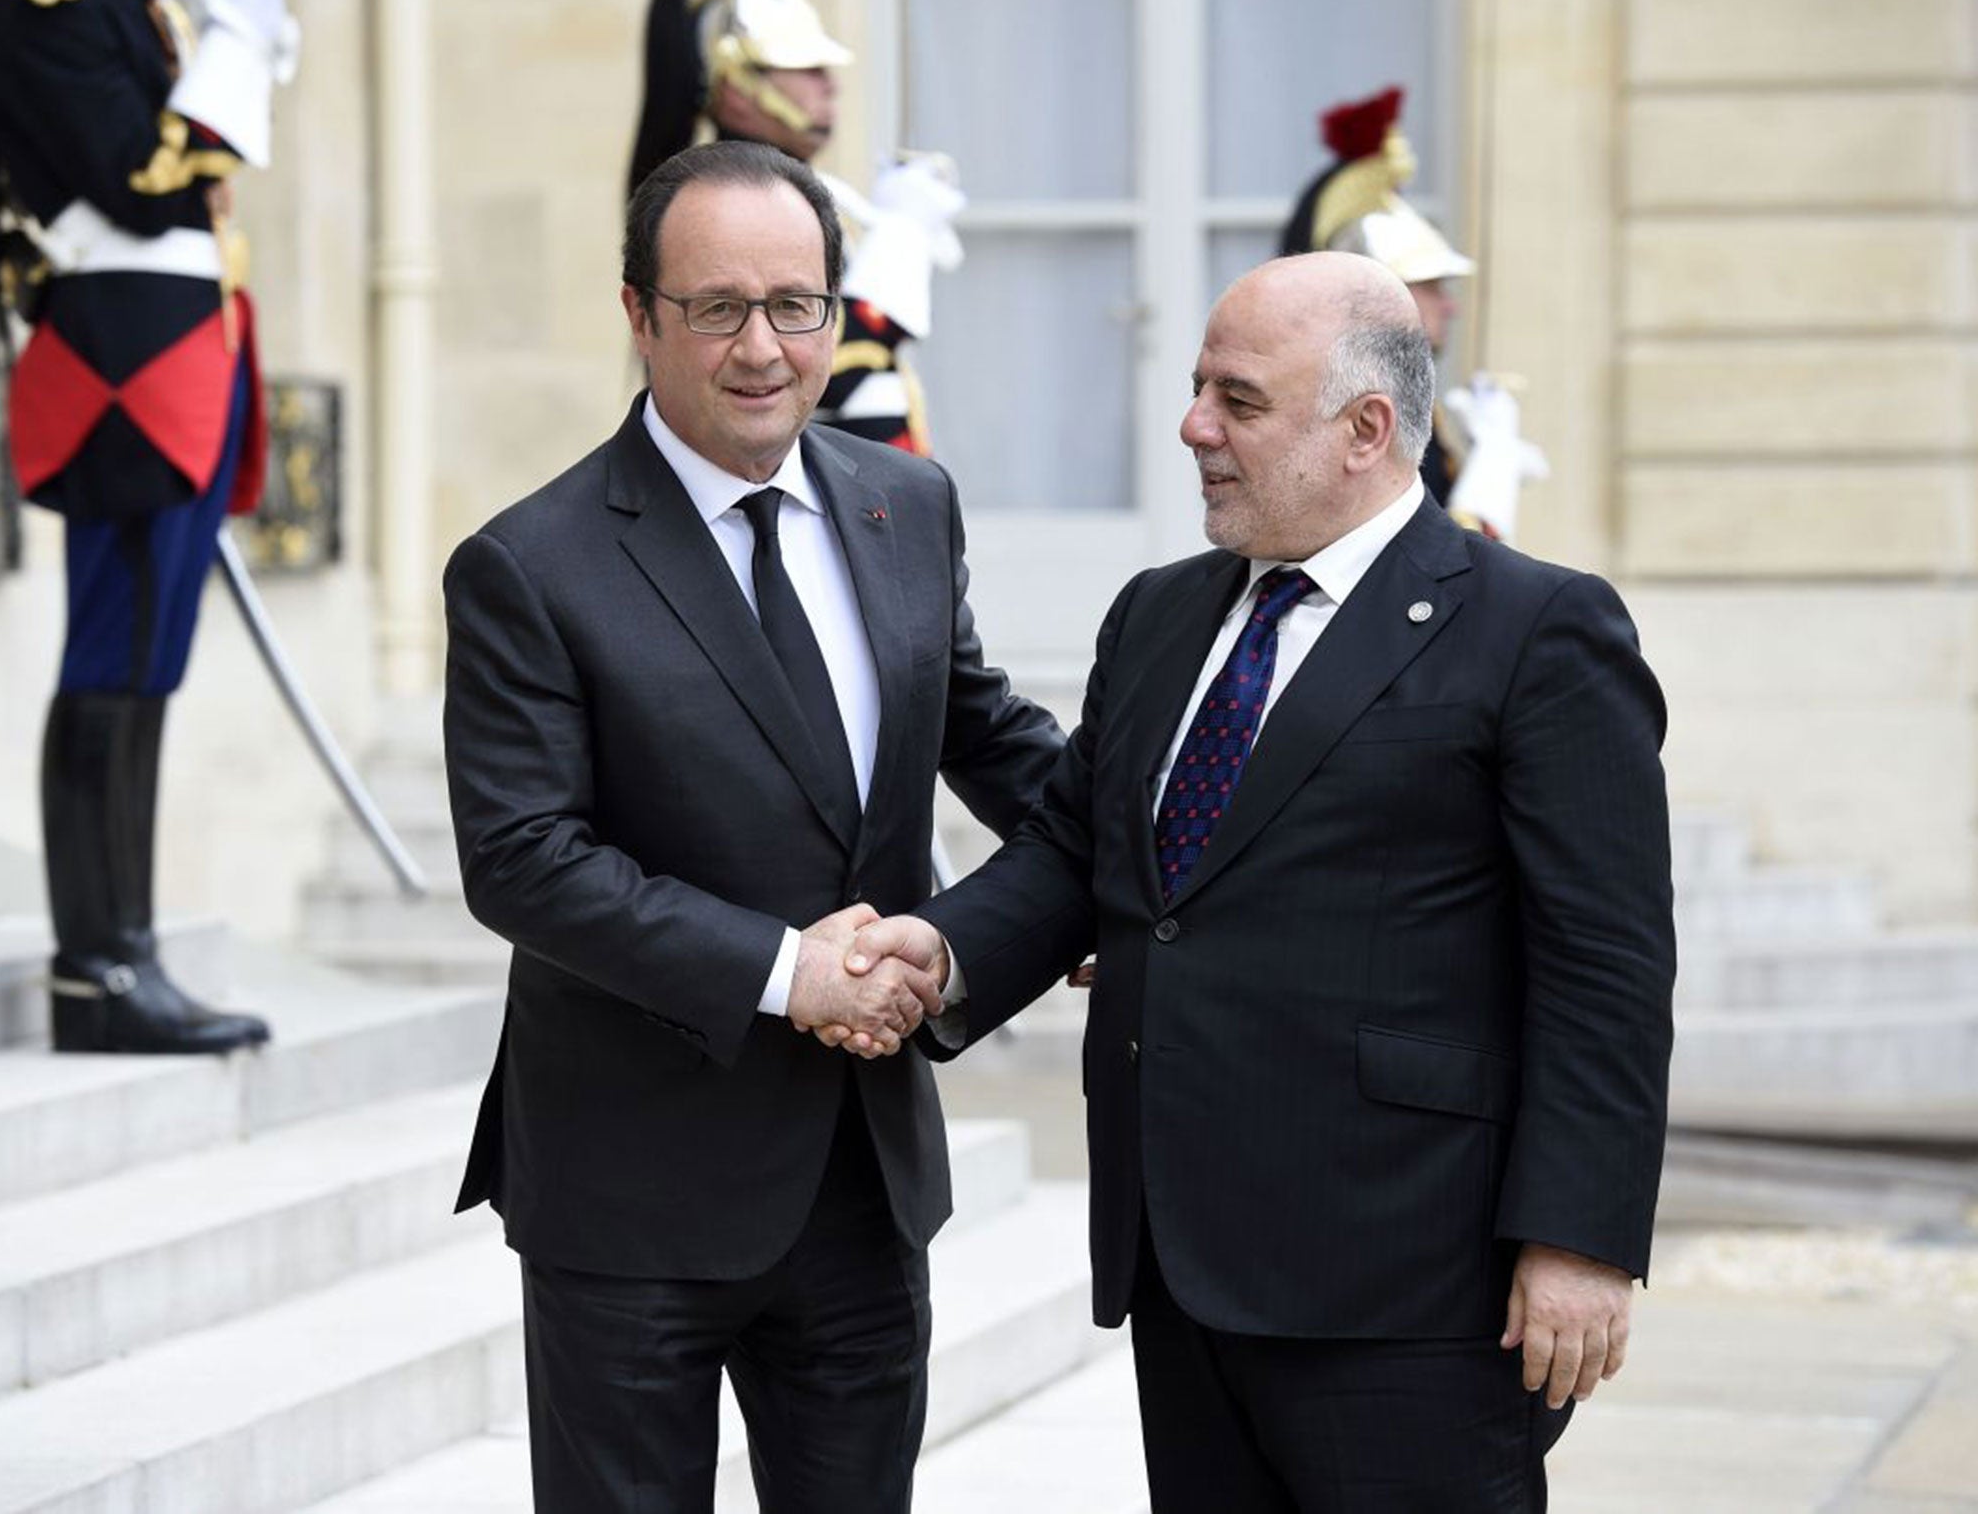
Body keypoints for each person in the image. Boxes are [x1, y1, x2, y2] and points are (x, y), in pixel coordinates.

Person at [847, 252, 1675, 1512]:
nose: (1191, 427)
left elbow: (1605, 964)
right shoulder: (1159, 615)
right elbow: (1079, 851)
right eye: (1195, 389)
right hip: (1180, 1261)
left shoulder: (1536, 632)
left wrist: (1577, 1242)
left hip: (1409, 1285)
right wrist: (941, 956)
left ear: (1364, 430)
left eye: (1236, 400)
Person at [440, 139, 1061, 1513]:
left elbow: (987, 732)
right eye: (717, 307)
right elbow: (523, 859)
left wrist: (1135, 873)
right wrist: (796, 972)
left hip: (860, 1178)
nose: (764, 348)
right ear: (638, 316)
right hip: (632, 1192)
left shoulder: (909, 502)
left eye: (797, 305)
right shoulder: (528, 567)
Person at [0, 0, 297, 1052]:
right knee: (112, 659)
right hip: (128, 359)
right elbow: (141, 182)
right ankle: (95, 968)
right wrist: (236, 47)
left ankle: (127, 949)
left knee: (147, 665)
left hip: (183, 336)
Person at [630, 0, 963, 453]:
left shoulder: (810, 196)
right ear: (738, 87)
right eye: (803, 67)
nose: (828, 84)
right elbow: (828, 364)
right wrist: (902, 240)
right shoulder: (727, 207)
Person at [1279, 85, 1544, 542]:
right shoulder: (1356, 406)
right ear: (1383, 293)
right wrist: (1487, 491)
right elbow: (1420, 554)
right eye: (1432, 287)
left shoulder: (1401, 395)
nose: (1450, 304)